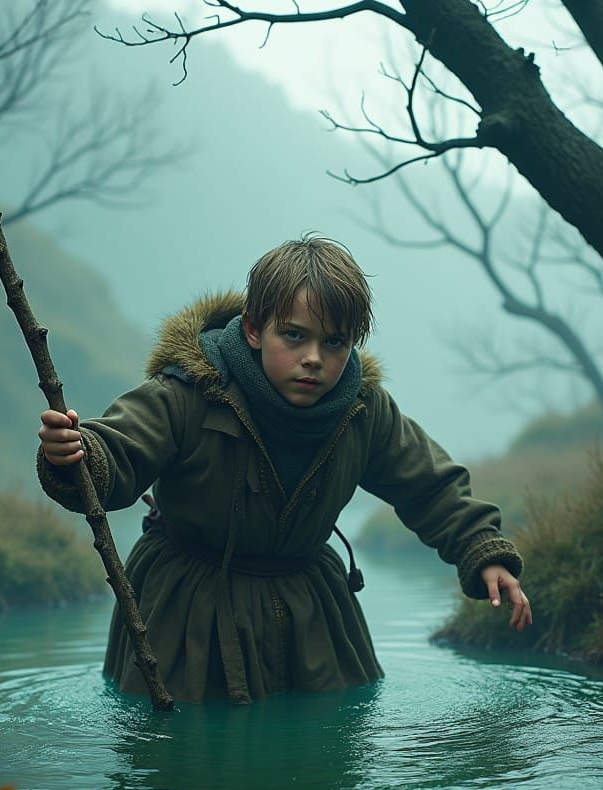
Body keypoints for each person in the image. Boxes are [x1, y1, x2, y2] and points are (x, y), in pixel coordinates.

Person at [37, 236, 531, 703]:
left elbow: (430, 485)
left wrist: (482, 550)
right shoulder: (189, 392)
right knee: (182, 744)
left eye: (334, 342)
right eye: (294, 335)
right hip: (187, 607)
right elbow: (120, 448)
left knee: (331, 740)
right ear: (254, 329)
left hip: (312, 607)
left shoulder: (362, 410)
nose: (313, 358)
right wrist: (77, 452)